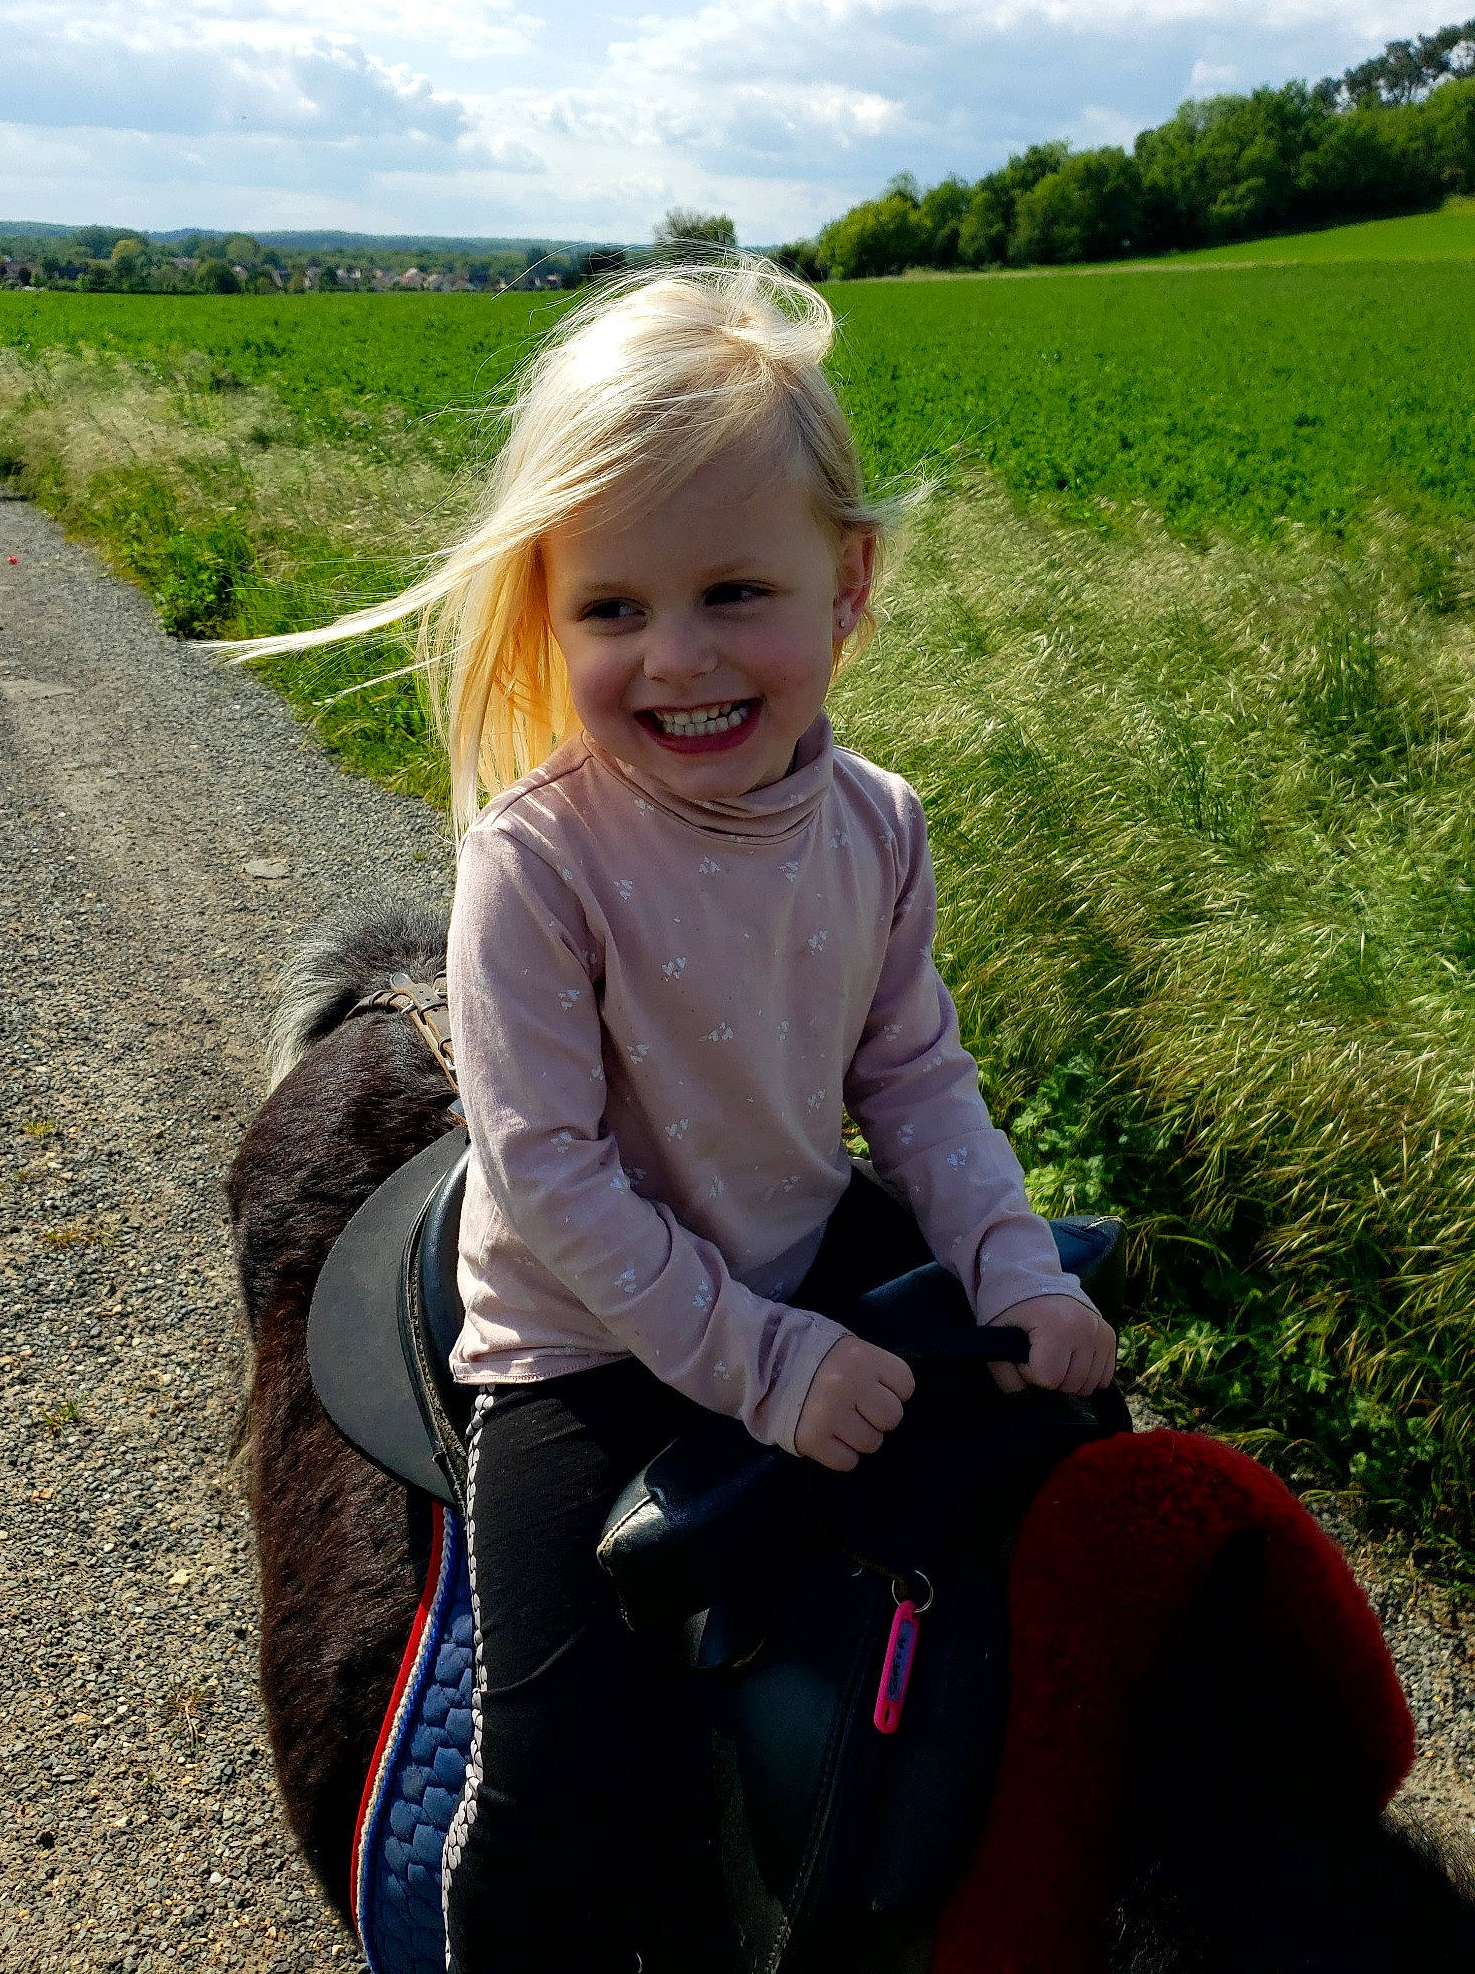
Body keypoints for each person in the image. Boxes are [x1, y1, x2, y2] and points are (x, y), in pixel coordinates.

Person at [227, 259, 1117, 1971]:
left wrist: (1013, 1267)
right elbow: (548, 1173)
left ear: (847, 583)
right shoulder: (536, 861)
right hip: (581, 1332)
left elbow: (911, 1072)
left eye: (733, 592)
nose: (678, 659)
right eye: (614, 611)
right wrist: (768, 1366)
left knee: (1068, 1471)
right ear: (548, 617)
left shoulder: (878, 827)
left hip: (786, 1238)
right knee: (558, 1768)